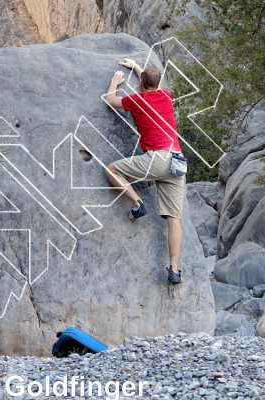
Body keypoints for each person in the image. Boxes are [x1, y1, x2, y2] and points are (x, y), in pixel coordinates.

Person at [104, 58, 185, 284]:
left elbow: (110, 100)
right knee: (174, 219)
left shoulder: (137, 100)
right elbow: (153, 85)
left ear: (140, 84)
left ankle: (137, 204)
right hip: (176, 162)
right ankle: (175, 270)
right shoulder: (166, 96)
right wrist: (138, 68)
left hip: (156, 159)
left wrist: (115, 81)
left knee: (111, 170)